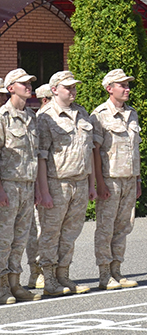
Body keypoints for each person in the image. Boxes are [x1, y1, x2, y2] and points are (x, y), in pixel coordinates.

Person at [36, 71, 96, 296]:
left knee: (71, 233)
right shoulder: (46, 117)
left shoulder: (81, 113)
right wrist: (43, 191)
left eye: (74, 87)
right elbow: (42, 156)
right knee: (51, 233)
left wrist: (91, 185)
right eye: (67, 87)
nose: (73, 91)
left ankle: (64, 275)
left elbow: (88, 151)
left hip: (79, 182)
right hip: (56, 183)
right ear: (54, 90)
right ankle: (49, 279)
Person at [90, 69, 142, 289]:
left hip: (129, 179)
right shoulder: (100, 114)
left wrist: (138, 180)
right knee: (106, 227)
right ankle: (104, 274)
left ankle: (117, 270)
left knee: (124, 226)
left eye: (128, 85)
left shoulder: (132, 114)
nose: (127, 89)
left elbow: (135, 149)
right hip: (110, 179)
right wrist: (99, 183)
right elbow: (95, 151)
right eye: (122, 85)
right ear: (109, 88)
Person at [0, 69, 42, 303]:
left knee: (20, 239)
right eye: (23, 83)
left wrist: (37, 187)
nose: (28, 86)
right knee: (3, 239)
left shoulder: (32, 117)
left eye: (30, 82)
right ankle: (1, 285)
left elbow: (35, 155)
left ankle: (16, 284)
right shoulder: (2, 117)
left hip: (27, 185)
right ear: (10, 88)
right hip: (8, 185)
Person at [26, 83, 53, 289]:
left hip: (39, 181)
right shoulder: (40, 119)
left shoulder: (33, 119)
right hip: (25, 182)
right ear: (45, 100)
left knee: (42, 230)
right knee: (34, 230)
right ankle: (35, 271)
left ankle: (43, 271)